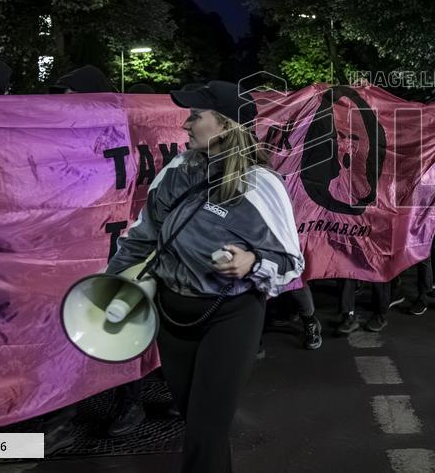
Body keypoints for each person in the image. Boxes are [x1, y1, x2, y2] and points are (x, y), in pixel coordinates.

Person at [105, 80, 304, 472]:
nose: (186, 125)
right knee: (193, 418)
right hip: (173, 316)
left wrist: (251, 261)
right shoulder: (175, 172)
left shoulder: (261, 184)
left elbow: (291, 262)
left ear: (226, 126)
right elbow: (144, 236)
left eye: (196, 116)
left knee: (205, 431)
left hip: (230, 317)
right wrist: (106, 286)